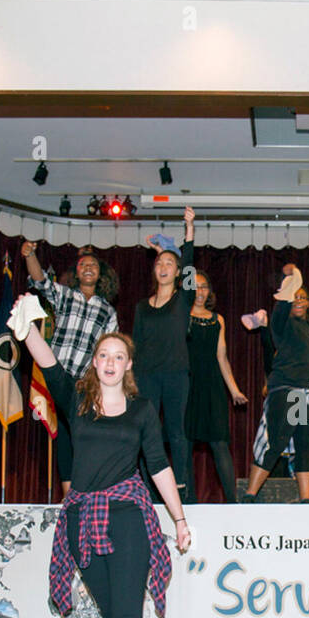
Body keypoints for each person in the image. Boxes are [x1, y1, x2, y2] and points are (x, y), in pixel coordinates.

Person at [16, 310, 191, 618]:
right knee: (111, 612)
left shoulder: (143, 410)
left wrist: (180, 519)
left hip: (128, 519)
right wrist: (27, 331)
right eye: (103, 355)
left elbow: (159, 465)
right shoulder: (76, 401)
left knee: (128, 615)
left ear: (129, 365)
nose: (111, 362)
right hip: (81, 519)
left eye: (119, 356)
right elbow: (50, 364)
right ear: (94, 362)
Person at [21, 241, 119, 496]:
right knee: (64, 432)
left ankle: (85, 489)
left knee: (80, 434)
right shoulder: (64, 295)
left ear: (101, 275)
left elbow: (109, 350)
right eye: (83, 265)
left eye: (94, 265)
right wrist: (30, 254)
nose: (88, 268)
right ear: (76, 273)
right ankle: (68, 493)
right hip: (59, 375)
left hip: (85, 383)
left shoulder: (108, 310)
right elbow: (40, 280)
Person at [242, 265, 309, 504]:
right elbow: (283, 301)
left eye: (303, 297)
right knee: (276, 441)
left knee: (305, 445)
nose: (298, 300)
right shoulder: (282, 323)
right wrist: (293, 276)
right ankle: (249, 495)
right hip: (288, 389)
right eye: (295, 297)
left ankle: (306, 500)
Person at [133, 206, 198, 500]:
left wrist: (189, 231)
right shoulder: (141, 307)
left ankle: (180, 483)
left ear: (177, 270)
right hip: (146, 375)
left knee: (175, 430)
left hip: (175, 373)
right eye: (160, 262)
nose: (163, 266)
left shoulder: (183, 298)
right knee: (148, 432)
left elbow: (190, 264)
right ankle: (147, 486)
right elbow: (135, 343)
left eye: (170, 262)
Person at [186, 270, 248, 502]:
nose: (199, 291)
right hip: (187, 384)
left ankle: (232, 502)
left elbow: (222, 357)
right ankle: (188, 502)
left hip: (212, 386)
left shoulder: (217, 319)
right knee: (185, 444)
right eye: (195, 286)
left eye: (203, 287)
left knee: (220, 443)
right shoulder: (181, 315)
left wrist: (234, 390)